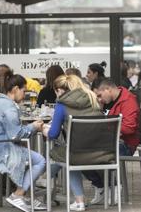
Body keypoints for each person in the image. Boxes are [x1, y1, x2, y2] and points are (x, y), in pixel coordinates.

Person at [0, 75, 46, 211]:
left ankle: (23, 196)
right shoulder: (9, 107)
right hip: (2, 151)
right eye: (24, 91)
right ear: (16, 89)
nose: (24, 95)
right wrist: (33, 127)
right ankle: (18, 194)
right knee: (40, 161)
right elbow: (16, 135)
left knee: (30, 159)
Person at [43, 74, 103, 211]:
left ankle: (42, 179)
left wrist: (43, 129)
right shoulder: (92, 98)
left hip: (77, 154)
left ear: (59, 90)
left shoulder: (61, 104)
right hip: (101, 153)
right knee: (69, 155)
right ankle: (44, 179)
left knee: (61, 155)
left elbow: (53, 134)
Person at [85, 78, 140, 204]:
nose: (99, 99)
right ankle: (101, 187)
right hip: (108, 142)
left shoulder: (128, 100)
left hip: (125, 145)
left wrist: (107, 128)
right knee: (80, 154)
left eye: (99, 95)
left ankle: (114, 186)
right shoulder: (107, 101)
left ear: (108, 89)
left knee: (101, 155)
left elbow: (129, 128)